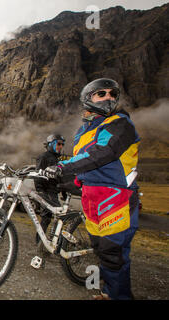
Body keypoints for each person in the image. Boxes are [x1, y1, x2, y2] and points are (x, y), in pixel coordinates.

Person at [44, 78, 140, 300]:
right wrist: (68, 182)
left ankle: (119, 296)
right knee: (101, 249)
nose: (109, 98)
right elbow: (85, 163)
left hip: (116, 196)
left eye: (112, 94)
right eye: (102, 94)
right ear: (87, 99)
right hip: (92, 197)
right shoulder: (82, 132)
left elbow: (102, 153)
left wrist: (61, 166)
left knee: (113, 252)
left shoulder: (120, 123)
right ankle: (108, 292)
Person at [34, 134, 65, 243]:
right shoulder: (44, 157)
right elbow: (38, 173)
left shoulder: (56, 158)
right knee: (55, 217)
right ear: (51, 144)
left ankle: (43, 241)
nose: (61, 146)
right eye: (59, 144)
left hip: (53, 192)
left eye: (62, 144)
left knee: (48, 217)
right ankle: (43, 241)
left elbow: (59, 177)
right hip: (47, 191)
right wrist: (40, 191)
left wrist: (63, 191)